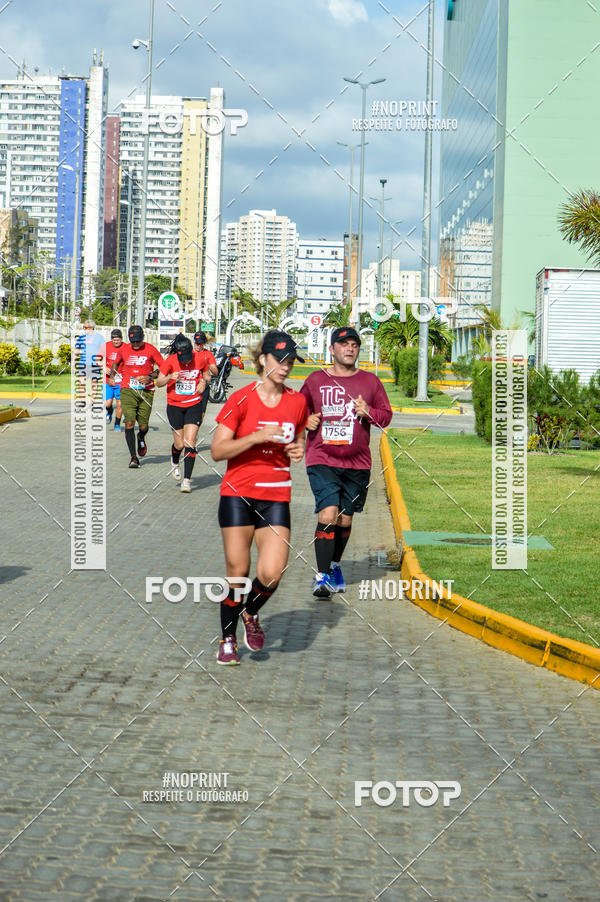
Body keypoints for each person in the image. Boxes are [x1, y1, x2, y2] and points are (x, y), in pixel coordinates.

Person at [211, 331, 308, 665]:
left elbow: (296, 441)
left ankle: (250, 612)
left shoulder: (297, 402)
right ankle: (227, 639)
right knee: (238, 572)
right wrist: (254, 437)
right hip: (238, 495)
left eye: (290, 362)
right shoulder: (241, 399)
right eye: (279, 360)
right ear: (262, 359)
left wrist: (298, 448)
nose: (285, 367)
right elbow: (218, 450)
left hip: (276, 495)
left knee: (272, 573)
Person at [300, 326, 393, 597]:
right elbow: (297, 409)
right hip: (322, 458)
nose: (350, 348)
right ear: (332, 349)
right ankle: (322, 576)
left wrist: (368, 412)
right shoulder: (316, 380)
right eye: (343, 344)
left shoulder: (370, 382)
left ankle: (335, 564)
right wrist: (305, 420)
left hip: (358, 463)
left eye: (354, 344)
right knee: (328, 514)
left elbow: (385, 417)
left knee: (344, 520)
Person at [156, 334, 211, 492]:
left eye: (188, 359)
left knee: (190, 442)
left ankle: (187, 481)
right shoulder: (171, 361)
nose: (186, 362)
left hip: (194, 404)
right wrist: (169, 377)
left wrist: (203, 382)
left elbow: (207, 375)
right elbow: (159, 383)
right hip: (174, 406)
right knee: (179, 444)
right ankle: (174, 461)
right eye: (183, 360)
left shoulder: (200, 359)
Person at [109, 325, 164, 468]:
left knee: (144, 426)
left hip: (146, 392)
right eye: (132, 342)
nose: (135, 345)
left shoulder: (151, 349)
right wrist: (112, 376)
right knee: (129, 423)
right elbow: (116, 363)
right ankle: (133, 457)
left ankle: (141, 436)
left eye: (138, 342)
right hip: (128, 390)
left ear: (143, 338)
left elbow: (164, 368)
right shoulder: (124, 349)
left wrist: (150, 377)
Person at [75, 320, 104, 404]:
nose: (84, 329)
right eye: (83, 327)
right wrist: (73, 362)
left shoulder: (99, 337)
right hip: (83, 363)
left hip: (94, 364)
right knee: (81, 381)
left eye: (86, 327)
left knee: (94, 382)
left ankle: (92, 400)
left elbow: (103, 350)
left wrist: (100, 360)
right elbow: (77, 349)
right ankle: (82, 400)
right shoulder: (81, 337)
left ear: (91, 328)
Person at [101, 328, 124, 431]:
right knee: (108, 403)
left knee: (120, 403)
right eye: (114, 340)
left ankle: (117, 425)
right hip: (108, 380)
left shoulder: (126, 347)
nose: (116, 342)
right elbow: (97, 359)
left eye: (118, 340)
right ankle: (109, 411)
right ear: (111, 339)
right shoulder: (106, 346)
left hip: (121, 381)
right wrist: (103, 367)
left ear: (121, 339)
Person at [193, 331, 218, 422]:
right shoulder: (188, 353)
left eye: (200, 344)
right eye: (196, 343)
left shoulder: (208, 354)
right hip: (191, 385)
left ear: (203, 344)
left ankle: (195, 430)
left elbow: (215, 372)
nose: (198, 346)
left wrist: (212, 367)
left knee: (202, 413)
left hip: (204, 386)